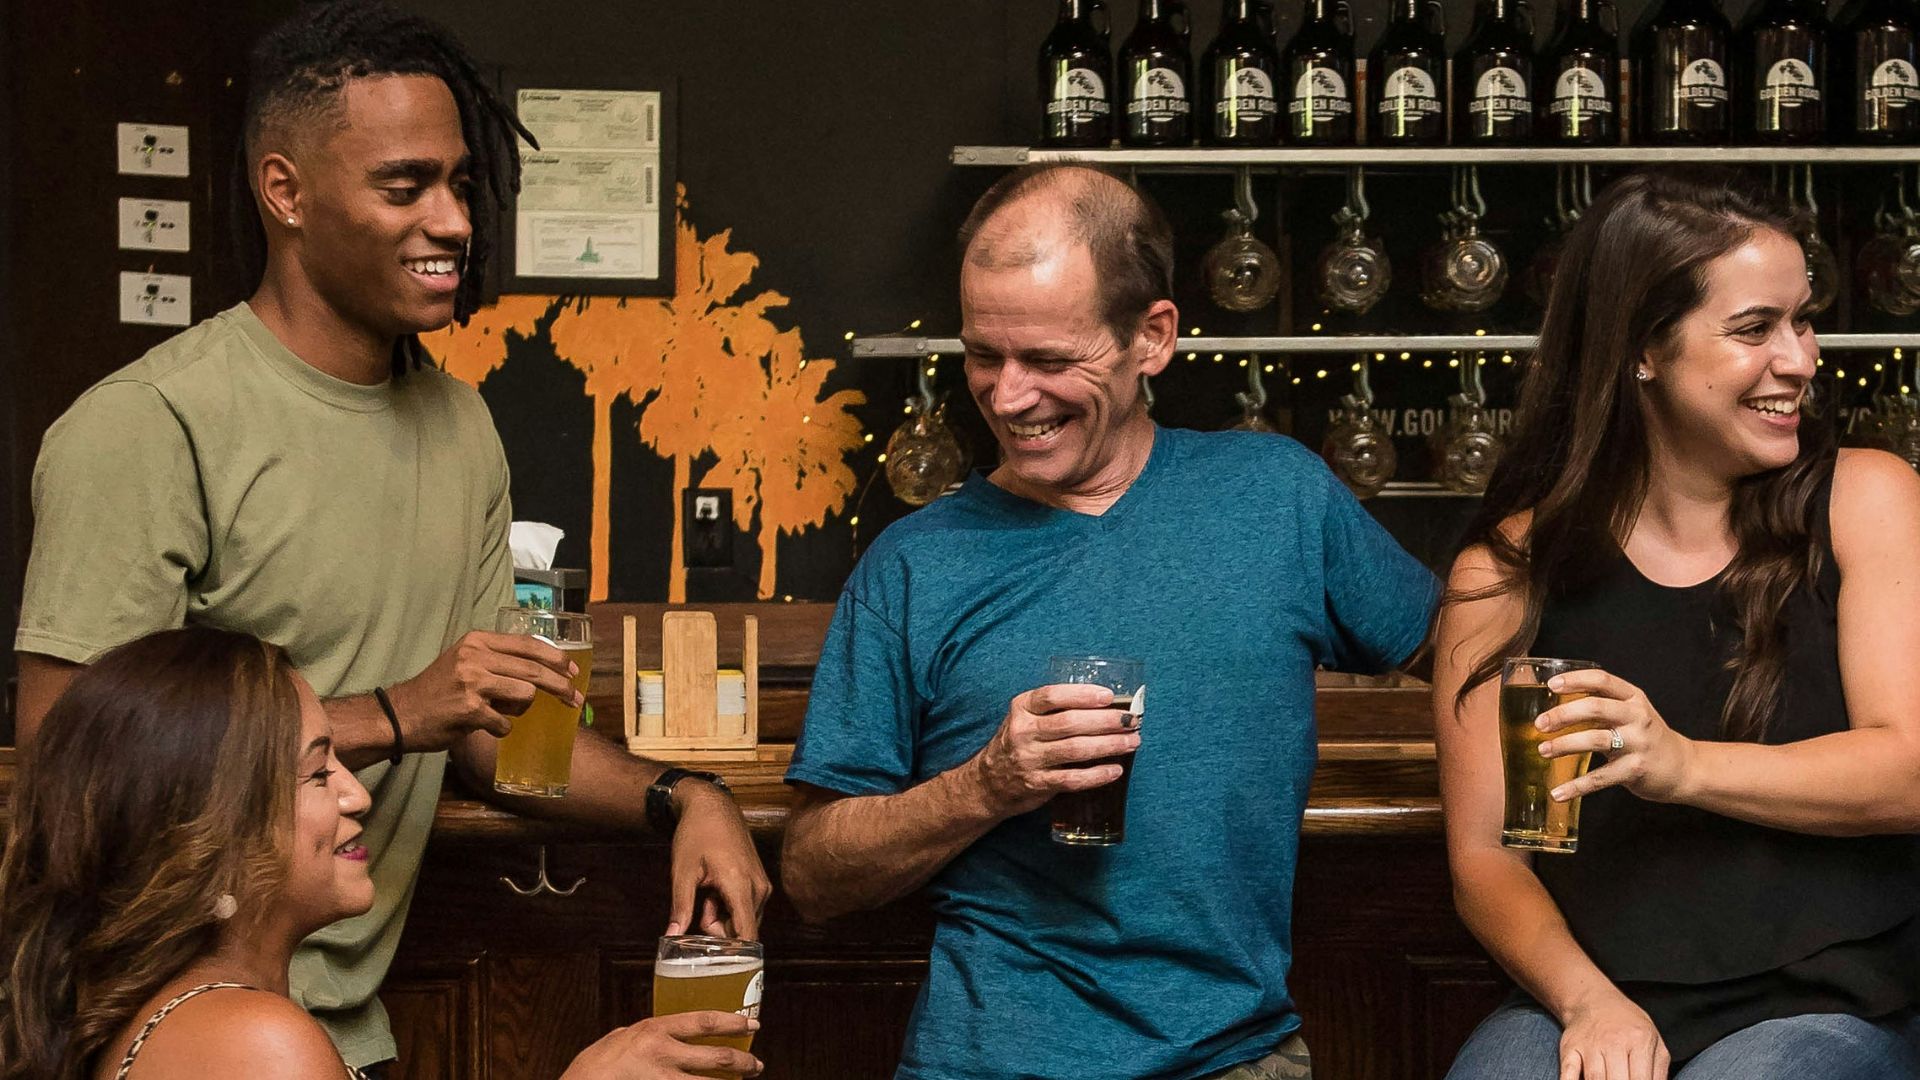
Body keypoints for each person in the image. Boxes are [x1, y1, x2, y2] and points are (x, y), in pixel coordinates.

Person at [11, 2, 768, 1071]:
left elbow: (494, 733)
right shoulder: (148, 426)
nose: (455, 220)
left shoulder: (460, 424)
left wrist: (682, 797)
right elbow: (66, 772)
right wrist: (398, 713)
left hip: (348, 1026)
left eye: (461, 183)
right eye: (405, 186)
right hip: (196, 1031)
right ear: (287, 193)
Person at [779, 163, 1438, 1080]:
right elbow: (812, 874)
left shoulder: (1277, 496)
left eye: (1050, 359)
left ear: (1152, 337)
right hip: (990, 1064)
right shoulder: (912, 562)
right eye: (982, 355)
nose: (1008, 398)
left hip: (1234, 1059)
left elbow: (1472, 661)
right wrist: (988, 784)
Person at [1432, 170, 1920, 1080]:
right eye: (1753, 329)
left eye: (1802, 320)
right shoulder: (1505, 571)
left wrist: (1681, 764)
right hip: (1596, 987)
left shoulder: (1866, 498)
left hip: (1825, 998)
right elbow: (1490, 857)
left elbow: (1909, 772)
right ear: (1641, 350)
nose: (1802, 359)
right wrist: (1589, 1004)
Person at [0, 627, 763, 1080]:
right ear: (213, 833)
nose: (356, 794)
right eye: (316, 769)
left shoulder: (199, 1013)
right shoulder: (255, 1043)